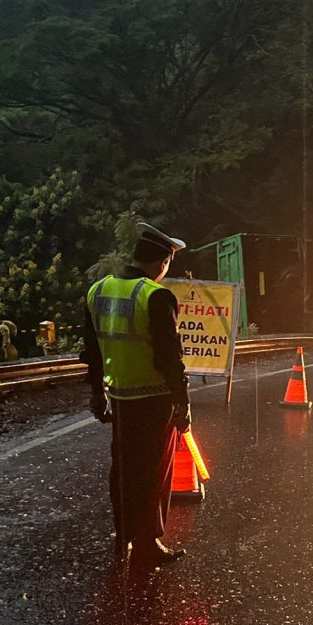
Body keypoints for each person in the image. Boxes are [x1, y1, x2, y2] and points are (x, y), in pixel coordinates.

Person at [80, 222, 191, 566]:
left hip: (121, 400)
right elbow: (169, 357)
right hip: (155, 401)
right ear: (162, 262)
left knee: (124, 470)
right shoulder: (155, 295)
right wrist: (182, 402)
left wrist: (97, 393)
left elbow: (92, 350)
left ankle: (122, 537)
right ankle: (146, 544)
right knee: (154, 472)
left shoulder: (97, 290)